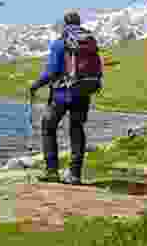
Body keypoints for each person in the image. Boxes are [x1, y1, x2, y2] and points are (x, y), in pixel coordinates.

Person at [28, 11, 103, 184]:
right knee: (77, 129)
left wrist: (36, 85)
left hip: (62, 94)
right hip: (84, 91)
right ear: (79, 23)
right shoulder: (89, 42)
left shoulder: (60, 43)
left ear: (64, 24)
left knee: (48, 126)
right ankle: (75, 174)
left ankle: (52, 171)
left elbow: (52, 71)